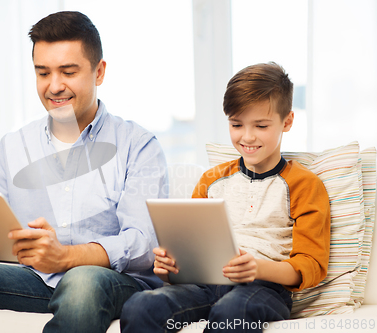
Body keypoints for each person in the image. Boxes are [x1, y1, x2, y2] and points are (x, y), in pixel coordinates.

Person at [0, 11, 167, 333]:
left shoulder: (138, 144)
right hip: (32, 278)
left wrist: (66, 256)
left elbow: (143, 243)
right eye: (43, 72)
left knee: (81, 282)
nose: (54, 86)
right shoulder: (13, 146)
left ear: (99, 71)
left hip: (109, 282)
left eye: (68, 71)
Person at [120, 62, 331, 333]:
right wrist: (167, 268)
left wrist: (258, 268)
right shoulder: (211, 180)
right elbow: (187, 258)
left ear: (287, 121)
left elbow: (310, 265)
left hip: (262, 288)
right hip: (203, 285)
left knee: (232, 311)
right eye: (236, 124)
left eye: (261, 125)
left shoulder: (305, 184)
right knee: (141, 305)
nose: (247, 136)